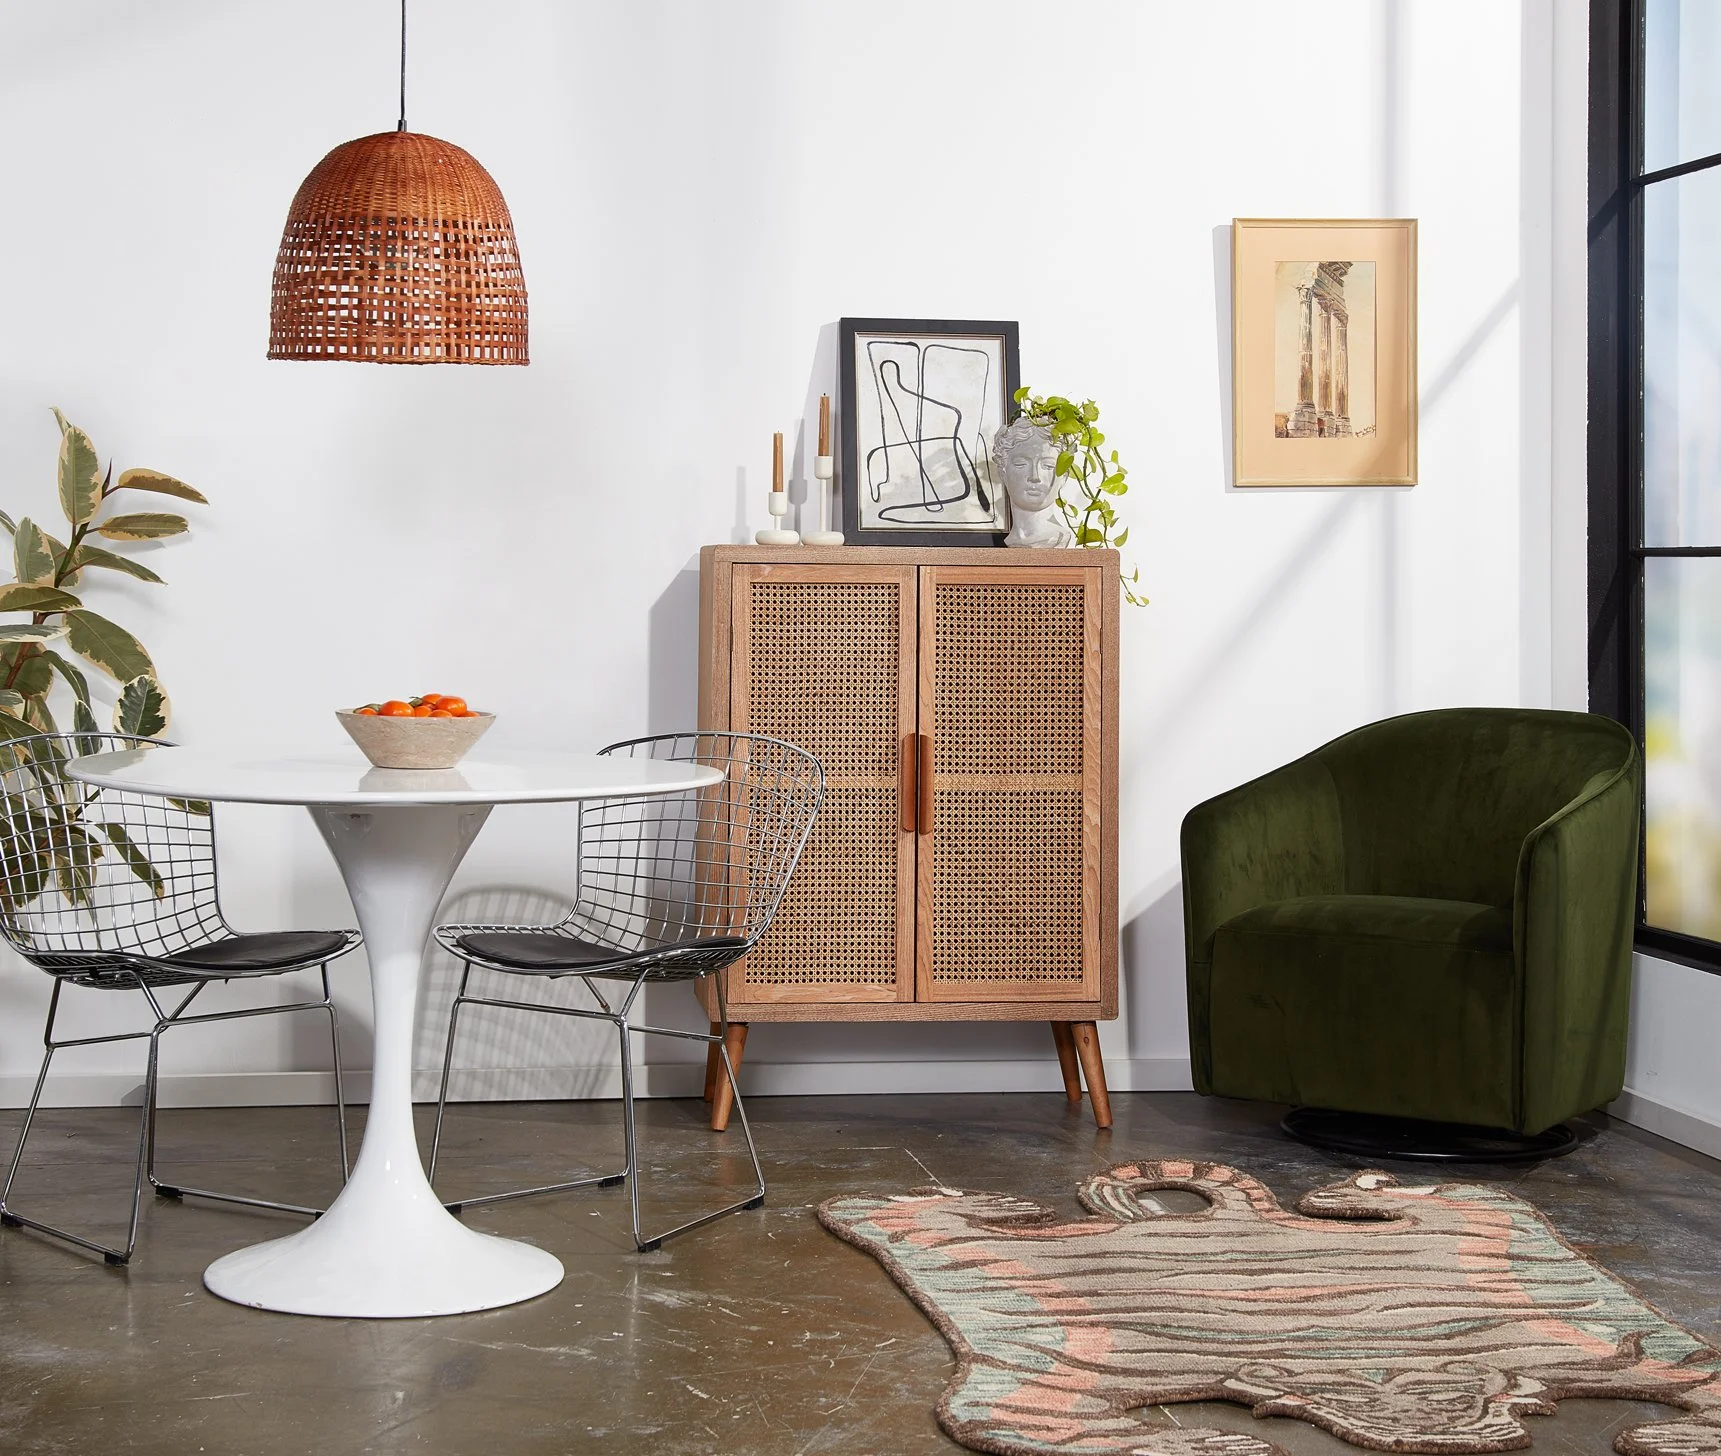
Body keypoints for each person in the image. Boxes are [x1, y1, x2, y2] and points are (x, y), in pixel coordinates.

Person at [990, 417, 1073, 549]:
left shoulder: (1058, 539)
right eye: (1021, 464)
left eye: (1047, 465)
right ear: (1002, 473)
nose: (1035, 476)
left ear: (1063, 477)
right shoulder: (1013, 540)